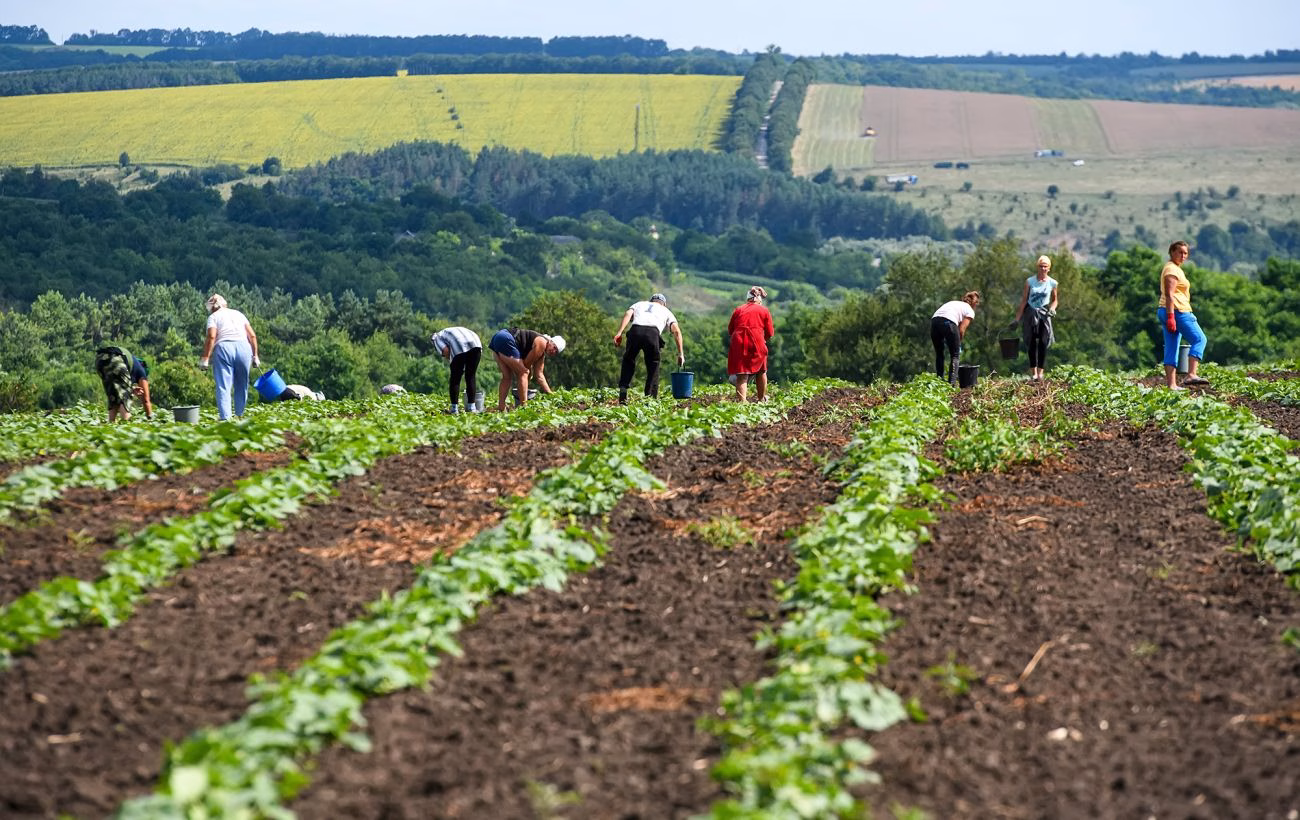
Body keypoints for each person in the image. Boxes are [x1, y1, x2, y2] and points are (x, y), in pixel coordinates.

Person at [613, 293, 684, 404]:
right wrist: (680, 354)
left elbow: (628, 313)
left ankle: (623, 390)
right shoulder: (666, 311)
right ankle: (650, 398)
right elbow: (676, 331)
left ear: (651, 301)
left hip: (635, 331)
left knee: (629, 359)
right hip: (652, 334)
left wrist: (619, 332)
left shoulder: (640, 304)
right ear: (664, 304)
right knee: (653, 365)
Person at [1157, 240, 1209, 389]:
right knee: (1199, 339)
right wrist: (1171, 316)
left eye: (1185, 253)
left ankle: (1172, 385)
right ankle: (1191, 374)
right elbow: (1169, 294)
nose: (1183, 255)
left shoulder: (1174, 268)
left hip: (1169, 311)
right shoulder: (1171, 270)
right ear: (1172, 252)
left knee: (1172, 347)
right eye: (1180, 252)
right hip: (1177, 311)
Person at [198, 293, 259, 420]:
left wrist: (205, 358)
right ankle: (239, 416)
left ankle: (226, 418)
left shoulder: (213, 317)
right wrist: (255, 356)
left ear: (212, 308)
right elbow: (252, 335)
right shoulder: (238, 314)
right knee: (242, 384)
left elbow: (212, 337)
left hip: (224, 348)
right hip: (244, 348)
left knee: (223, 385)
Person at [486, 328, 565, 411]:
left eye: (556, 352)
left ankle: (501, 407)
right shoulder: (542, 343)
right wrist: (527, 377)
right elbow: (526, 365)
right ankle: (524, 407)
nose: (553, 351)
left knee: (507, 376)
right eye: (554, 347)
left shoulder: (541, 354)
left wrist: (550, 394)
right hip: (505, 338)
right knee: (524, 372)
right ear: (551, 341)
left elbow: (539, 376)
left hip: (498, 338)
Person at [1015, 255, 1060, 382]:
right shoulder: (1030, 281)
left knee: (1043, 343)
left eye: (1045, 266)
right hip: (1030, 312)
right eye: (1041, 266)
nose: (1043, 268)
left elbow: (1055, 300)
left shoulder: (1053, 283)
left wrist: (1052, 309)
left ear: (1049, 268)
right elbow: (1024, 300)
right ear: (1037, 267)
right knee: (1031, 342)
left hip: (1044, 313)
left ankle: (1041, 373)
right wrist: (1017, 319)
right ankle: (1033, 372)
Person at [727, 286, 775, 402]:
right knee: (761, 371)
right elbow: (770, 333)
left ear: (748, 299)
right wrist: (762, 340)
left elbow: (730, 330)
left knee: (742, 374)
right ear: (758, 300)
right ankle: (761, 399)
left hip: (738, 342)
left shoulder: (738, 310)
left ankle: (742, 403)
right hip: (757, 341)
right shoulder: (764, 311)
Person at [930, 291, 980, 386]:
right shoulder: (970, 310)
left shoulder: (954, 303)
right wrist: (958, 343)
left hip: (934, 322)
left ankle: (939, 380)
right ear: (974, 304)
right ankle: (951, 384)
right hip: (949, 322)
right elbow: (961, 330)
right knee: (955, 355)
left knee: (939, 353)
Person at [93, 344, 153, 422]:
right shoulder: (141, 371)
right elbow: (146, 400)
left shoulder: (131, 364)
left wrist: (132, 388)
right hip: (115, 359)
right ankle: (126, 425)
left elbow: (119, 385)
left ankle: (111, 425)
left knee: (113, 397)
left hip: (100, 360)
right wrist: (150, 417)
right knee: (125, 398)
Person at [431, 326, 483, 414]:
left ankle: (454, 409)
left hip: (459, 343)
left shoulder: (436, 338)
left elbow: (446, 351)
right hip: (476, 342)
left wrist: (454, 364)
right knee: (470, 376)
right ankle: (472, 408)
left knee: (455, 378)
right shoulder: (446, 332)